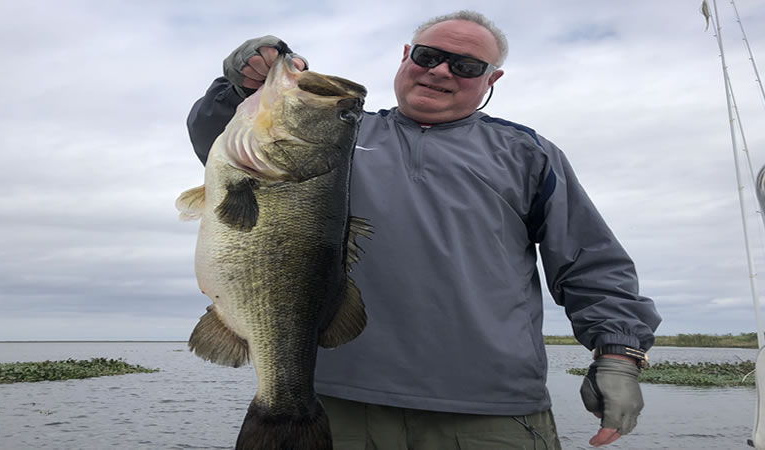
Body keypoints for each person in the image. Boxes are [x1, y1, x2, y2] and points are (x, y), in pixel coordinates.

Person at [186, 10, 661, 449]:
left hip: (493, 411)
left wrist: (618, 352)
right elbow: (221, 135)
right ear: (405, 58)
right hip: (333, 402)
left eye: (466, 66)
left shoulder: (528, 154)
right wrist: (238, 85)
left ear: (492, 79)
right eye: (428, 56)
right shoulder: (339, 135)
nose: (439, 71)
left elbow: (591, 263)